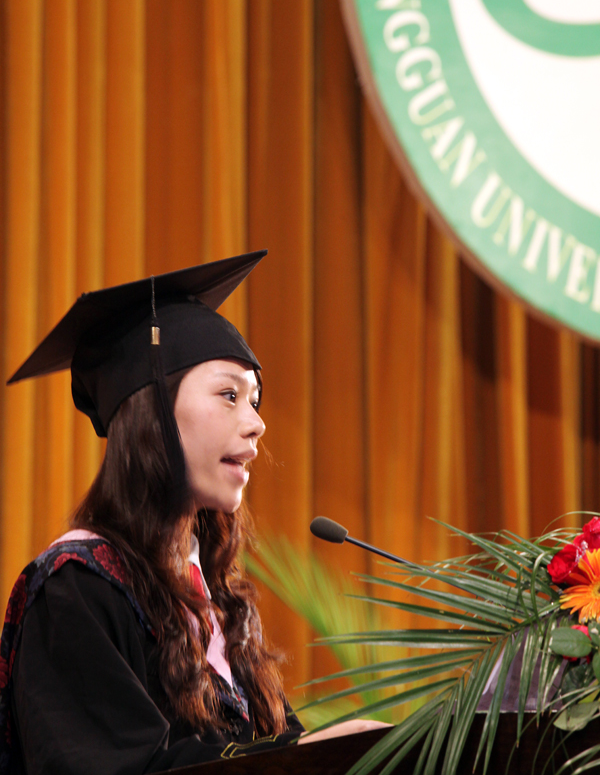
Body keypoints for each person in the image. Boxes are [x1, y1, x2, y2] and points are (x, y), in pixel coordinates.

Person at [0, 251, 385, 775]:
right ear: (152, 412)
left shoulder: (215, 599)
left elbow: (275, 749)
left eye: (254, 400)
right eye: (229, 395)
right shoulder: (77, 588)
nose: (256, 423)